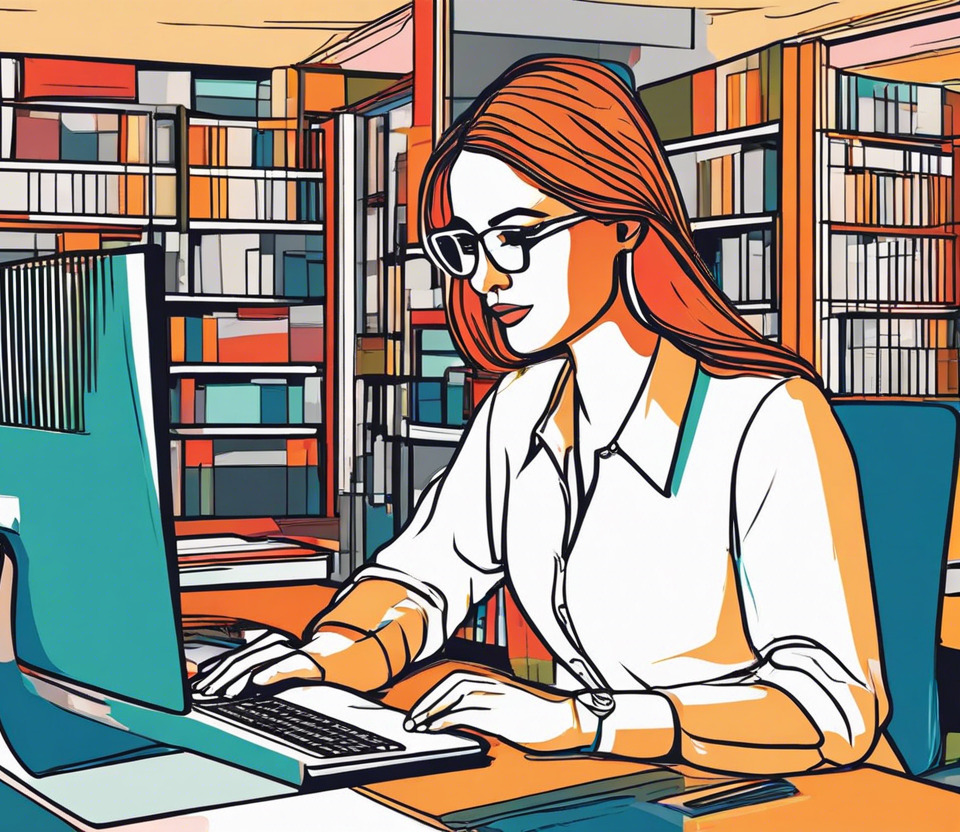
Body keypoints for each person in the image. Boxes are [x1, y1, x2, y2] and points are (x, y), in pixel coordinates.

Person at [192, 57, 898, 776]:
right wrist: (328, 658)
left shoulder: (768, 418)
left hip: (780, 794)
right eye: (465, 245)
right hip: (617, 784)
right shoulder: (523, 404)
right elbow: (422, 578)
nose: (485, 277)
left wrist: (590, 720)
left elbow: (830, 707)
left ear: (623, 220)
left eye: (518, 236)